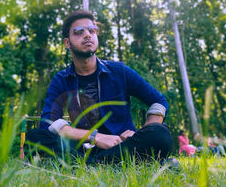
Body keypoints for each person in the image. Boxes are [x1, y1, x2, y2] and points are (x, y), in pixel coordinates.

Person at [25, 10, 173, 164]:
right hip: (82, 149)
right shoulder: (61, 79)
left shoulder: (119, 71)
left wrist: (143, 131)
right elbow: (48, 122)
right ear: (67, 43)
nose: (87, 35)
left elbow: (159, 100)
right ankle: (113, 164)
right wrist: (94, 136)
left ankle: (89, 166)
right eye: (79, 32)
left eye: (92, 30)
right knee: (35, 137)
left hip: (122, 145)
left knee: (159, 134)